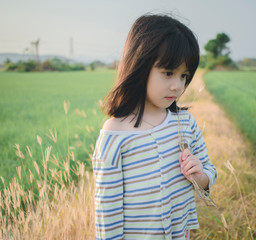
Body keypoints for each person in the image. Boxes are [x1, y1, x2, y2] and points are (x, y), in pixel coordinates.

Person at [92, 14, 217, 240]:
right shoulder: (115, 134)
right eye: (168, 73)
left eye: (184, 76)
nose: (177, 85)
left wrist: (200, 177)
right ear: (140, 65)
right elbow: (106, 213)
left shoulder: (184, 122)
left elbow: (210, 169)